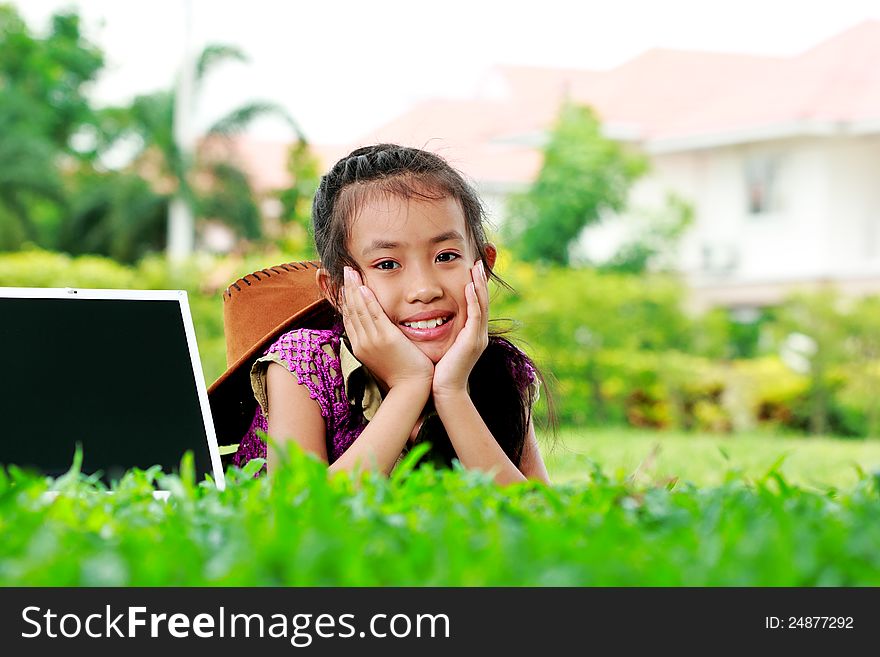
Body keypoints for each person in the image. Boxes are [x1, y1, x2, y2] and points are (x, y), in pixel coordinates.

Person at [231, 143, 551, 485]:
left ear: (482, 266)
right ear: (336, 289)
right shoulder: (306, 365)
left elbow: (539, 520)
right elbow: (300, 511)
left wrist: (452, 393)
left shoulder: (500, 369)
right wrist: (409, 387)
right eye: (387, 264)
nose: (425, 289)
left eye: (445, 256)